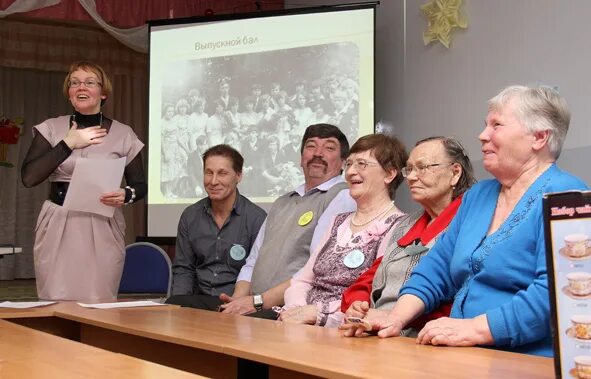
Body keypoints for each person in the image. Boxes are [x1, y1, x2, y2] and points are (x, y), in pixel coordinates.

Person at [341, 85, 589, 357]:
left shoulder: (568, 200)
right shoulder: (478, 195)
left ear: (539, 137)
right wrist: (396, 317)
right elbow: (436, 268)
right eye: (485, 125)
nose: (482, 135)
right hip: (466, 353)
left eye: (496, 125)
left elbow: (558, 296)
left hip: (527, 360)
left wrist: (473, 329)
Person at [21, 61, 145, 301]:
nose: (81, 87)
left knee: (99, 300)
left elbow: (139, 185)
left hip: (102, 225)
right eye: (74, 82)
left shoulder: (123, 133)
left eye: (89, 82)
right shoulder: (52, 128)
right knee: (55, 301)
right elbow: (29, 177)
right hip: (58, 221)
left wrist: (127, 194)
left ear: (103, 92)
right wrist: (68, 143)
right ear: (69, 93)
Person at [340, 136, 475, 335]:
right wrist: (358, 302)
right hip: (378, 329)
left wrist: (395, 316)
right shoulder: (406, 225)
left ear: (454, 173)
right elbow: (373, 274)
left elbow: (463, 290)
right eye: (409, 169)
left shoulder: (471, 222)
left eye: (422, 167)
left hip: (425, 336)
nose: (411, 177)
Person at [219, 123, 357, 316]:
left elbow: (316, 270)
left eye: (329, 147)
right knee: (183, 304)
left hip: (289, 311)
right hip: (254, 305)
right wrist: (238, 299)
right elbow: (253, 260)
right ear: (301, 158)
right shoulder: (282, 202)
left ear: (343, 162)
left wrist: (256, 302)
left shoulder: (342, 196)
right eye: (311, 146)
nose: (318, 153)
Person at [278, 134, 408, 327]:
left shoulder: (399, 226)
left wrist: (318, 314)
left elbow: (377, 296)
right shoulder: (338, 222)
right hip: (300, 322)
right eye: (349, 164)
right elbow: (302, 280)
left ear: (389, 174)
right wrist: (296, 309)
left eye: (362, 164)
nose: (350, 172)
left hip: (347, 330)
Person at [166, 145, 266, 310]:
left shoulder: (257, 218)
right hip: (198, 302)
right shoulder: (190, 216)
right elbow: (184, 269)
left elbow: (258, 273)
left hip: (236, 305)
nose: (213, 181)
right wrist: (177, 307)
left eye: (222, 173)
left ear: (239, 175)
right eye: (208, 173)